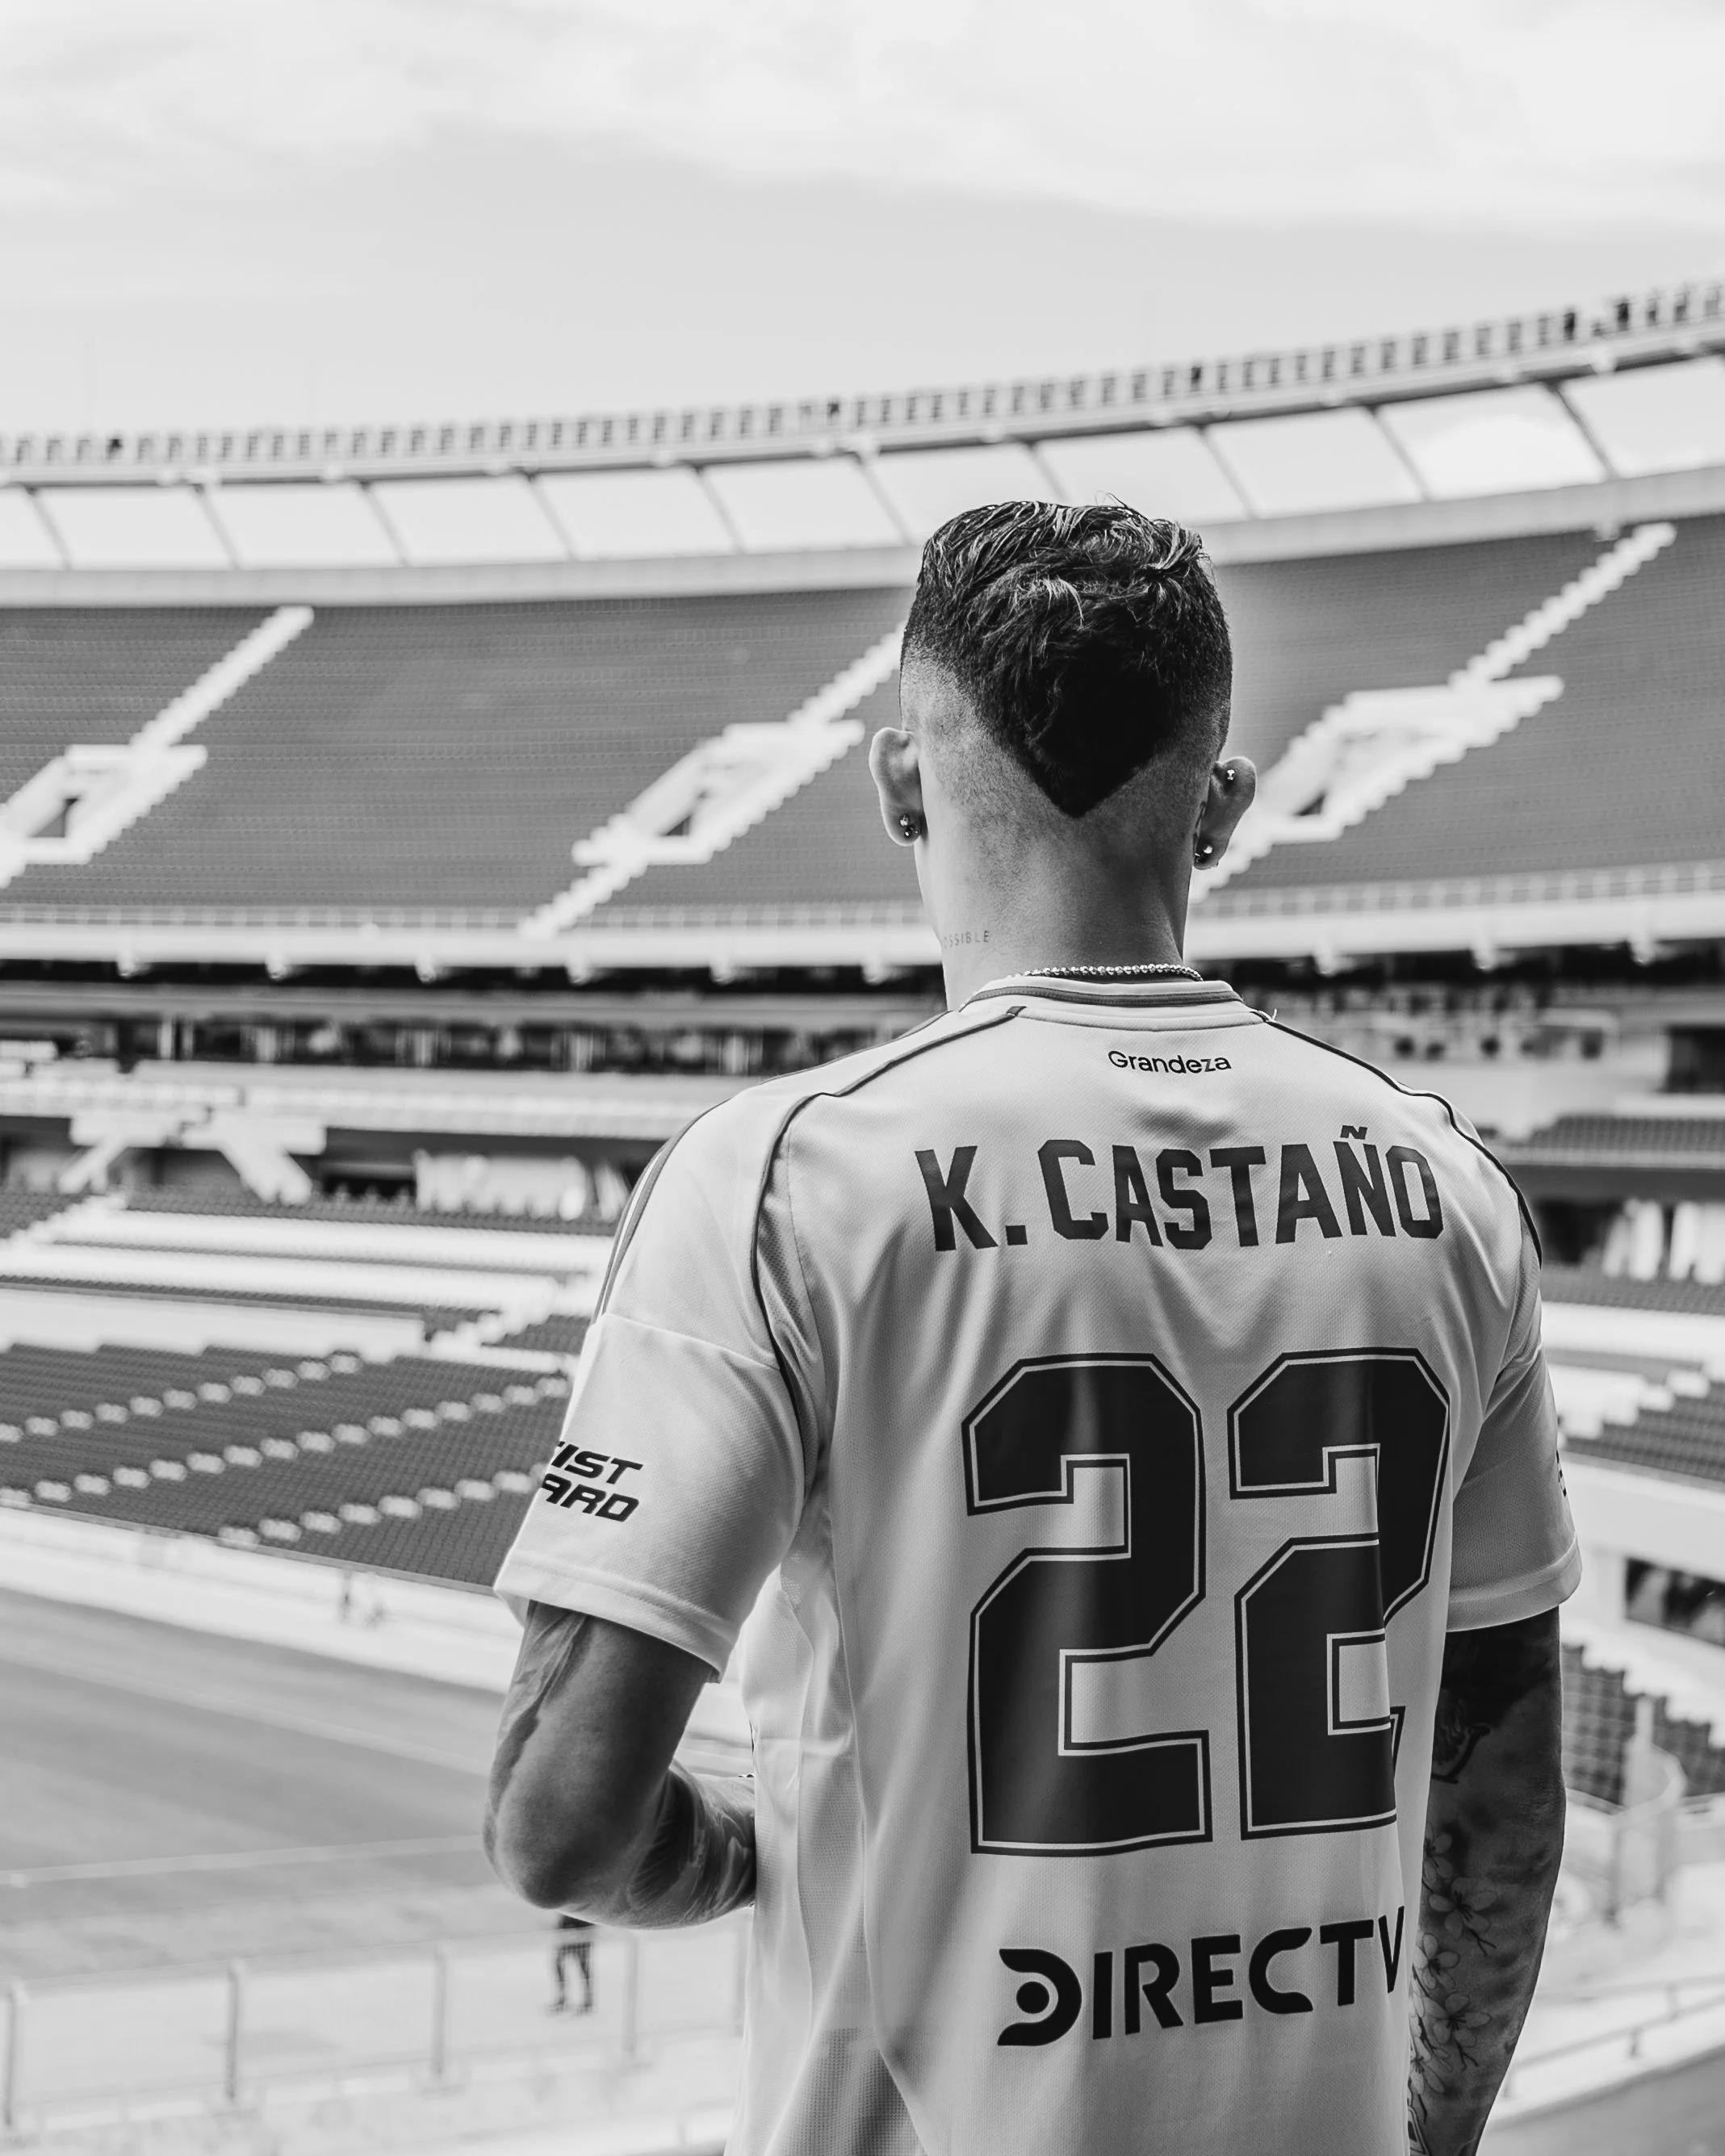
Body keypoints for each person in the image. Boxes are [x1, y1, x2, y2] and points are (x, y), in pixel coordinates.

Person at [485, 502, 1578, 2156]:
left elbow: (561, 1825)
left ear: (897, 783)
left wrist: (734, 1854)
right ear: (1221, 809)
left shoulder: (785, 1182)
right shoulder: (1443, 1187)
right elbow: (1496, 1799)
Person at [551, 1911, 594, 2014]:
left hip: (581, 1937)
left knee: (583, 1968)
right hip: (567, 1937)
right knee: (559, 1965)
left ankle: (587, 2001)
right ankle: (563, 1998)